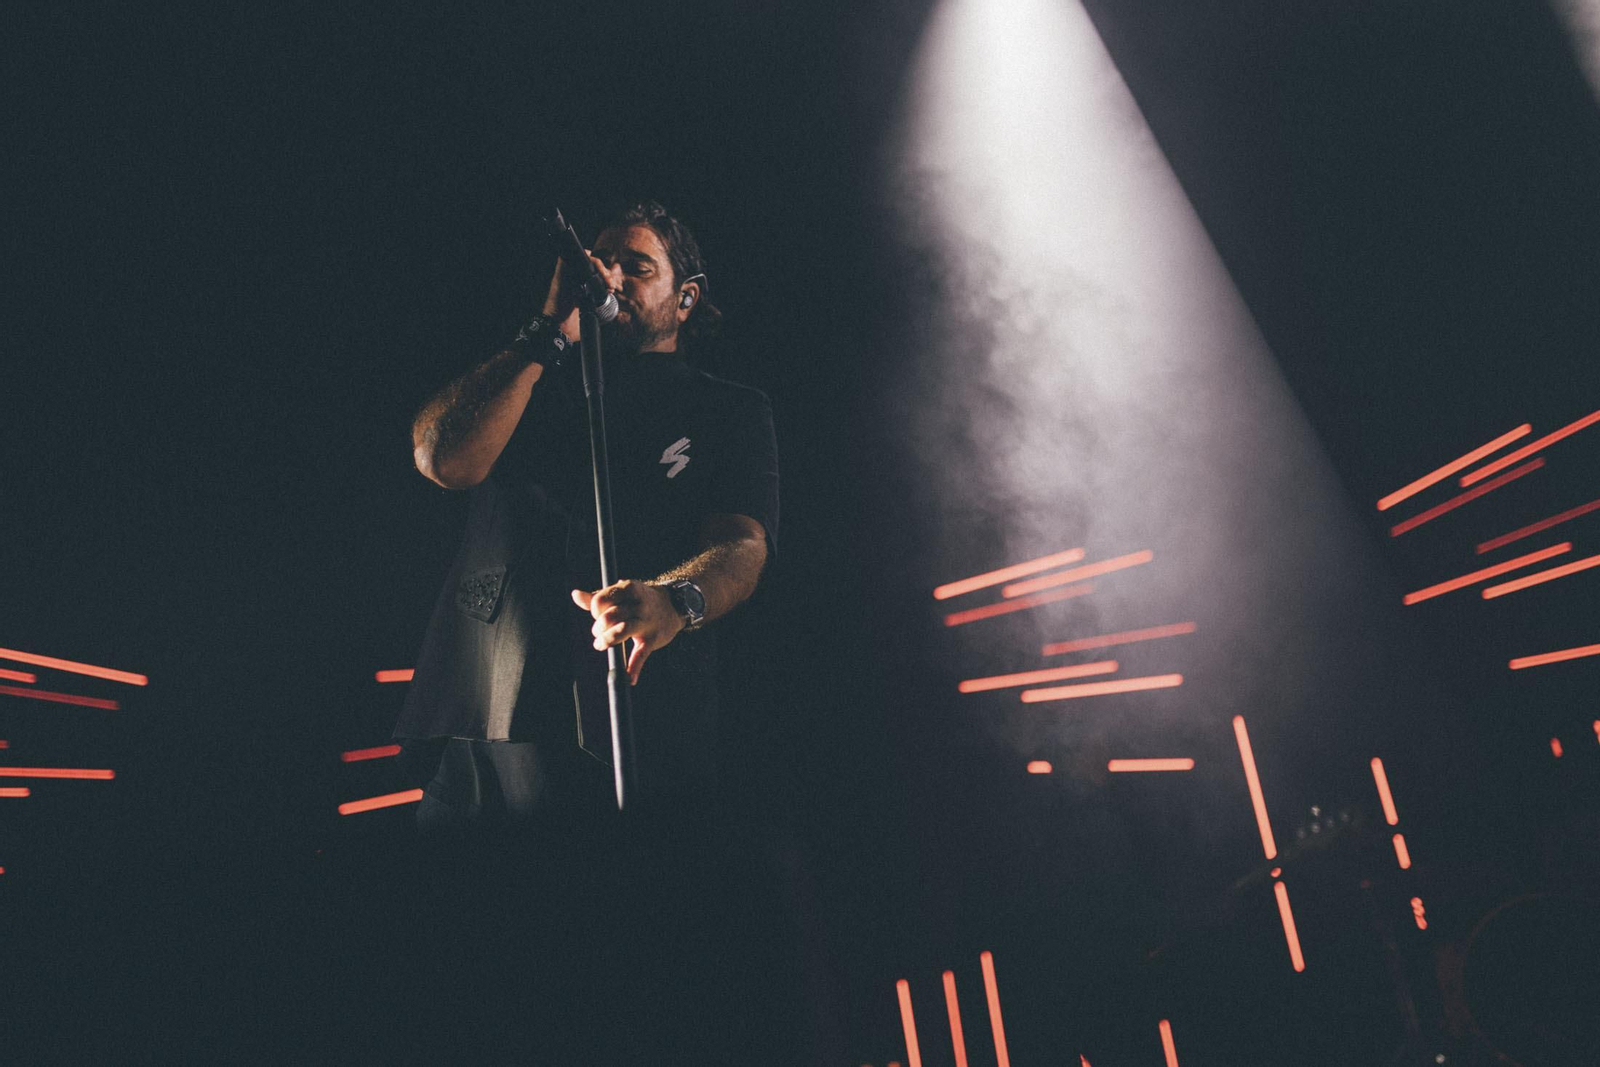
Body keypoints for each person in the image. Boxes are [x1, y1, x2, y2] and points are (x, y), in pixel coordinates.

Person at [396, 199, 779, 828]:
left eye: (639, 267)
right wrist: (546, 332)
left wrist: (676, 600)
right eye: (603, 264)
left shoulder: (726, 409)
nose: (613, 279)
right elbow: (443, 460)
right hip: (485, 711)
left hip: (632, 713)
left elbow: (744, 543)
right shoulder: (530, 379)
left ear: (685, 299)